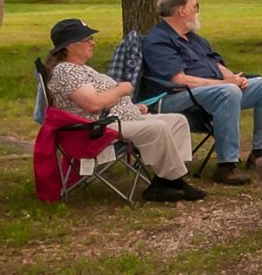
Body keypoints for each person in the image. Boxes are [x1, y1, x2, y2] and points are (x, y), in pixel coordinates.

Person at [42, 18, 206, 202]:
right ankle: (174, 182)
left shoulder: (80, 68)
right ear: (70, 45)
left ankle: (164, 181)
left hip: (117, 120)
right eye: (86, 40)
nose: (92, 43)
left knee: (177, 121)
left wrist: (132, 107)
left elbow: (99, 99)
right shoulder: (66, 71)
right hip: (96, 129)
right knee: (158, 128)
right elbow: (93, 104)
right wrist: (120, 90)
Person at [141, 0, 262, 185]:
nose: (197, 11)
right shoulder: (158, 41)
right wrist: (225, 83)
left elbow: (215, 62)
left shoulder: (193, 38)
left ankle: (260, 153)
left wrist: (233, 77)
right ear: (181, 10)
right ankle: (226, 166)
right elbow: (179, 80)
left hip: (213, 91)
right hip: (174, 99)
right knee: (228, 92)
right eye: (195, 5)